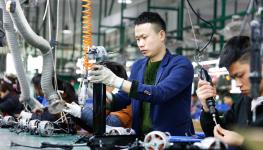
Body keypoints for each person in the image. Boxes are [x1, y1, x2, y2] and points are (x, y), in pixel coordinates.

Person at [88, 12, 194, 136]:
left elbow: (160, 93)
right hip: (140, 139)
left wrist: (116, 81)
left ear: (161, 35)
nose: (140, 44)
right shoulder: (138, 66)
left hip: (171, 140)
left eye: (144, 37)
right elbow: (125, 97)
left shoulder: (181, 65)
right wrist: (107, 97)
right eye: (138, 39)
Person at [196, 36, 263, 146]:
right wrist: (207, 108)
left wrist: (242, 141)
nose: (237, 84)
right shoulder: (243, 102)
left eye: (240, 75)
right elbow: (217, 133)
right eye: (233, 78)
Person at [64, 61, 132, 130]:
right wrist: (75, 115)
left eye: (98, 78)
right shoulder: (104, 99)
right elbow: (94, 127)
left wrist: (80, 113)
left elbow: (111, 124)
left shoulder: (125, 101)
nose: (95, 84)